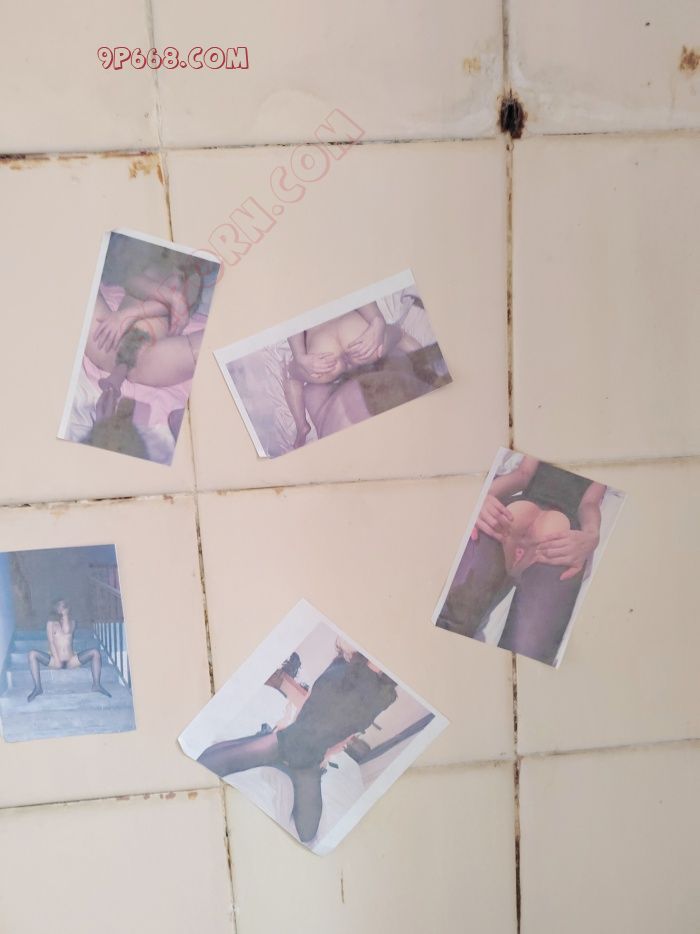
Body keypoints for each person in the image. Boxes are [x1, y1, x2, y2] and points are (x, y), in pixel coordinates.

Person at [197, 648, 398, 843]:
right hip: (289, 739)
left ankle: (283, 757)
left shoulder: (385, 695)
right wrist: (289, 723)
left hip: (311, 758)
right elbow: (311, 698)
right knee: (210, 761)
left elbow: (349, 734)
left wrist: (326, 756)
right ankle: (270, 740)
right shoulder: (344, 661)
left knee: (307, 833)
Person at [436, 455, 606, 664]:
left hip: (536, 524)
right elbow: (524, 474)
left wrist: (592, 536)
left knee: (527, 652)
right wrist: (485, 495)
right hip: (532, 522)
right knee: (456, 614)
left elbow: (589, 502)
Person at [282, 302, 426, 447]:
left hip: (323, 352)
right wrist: (377, 321)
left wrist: (300, 357)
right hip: (358, 337)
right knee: (399, 335)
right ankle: (427, 371)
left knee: (291, 375)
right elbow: (362, 298)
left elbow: (292, 321)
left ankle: (302, 426)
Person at [26, 599, 111, 703]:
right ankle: (38, 688)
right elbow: (51, 642)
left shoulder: (72, 622)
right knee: (32, 654)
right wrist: (57, 660)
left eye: (64, 605)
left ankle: (96, 685)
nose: (62, 607)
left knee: (95, 653)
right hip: (55, 660)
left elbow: (67, 630)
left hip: (71, 660)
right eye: (60, 605)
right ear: (56, 608)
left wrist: (65, 615)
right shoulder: (50, 623)